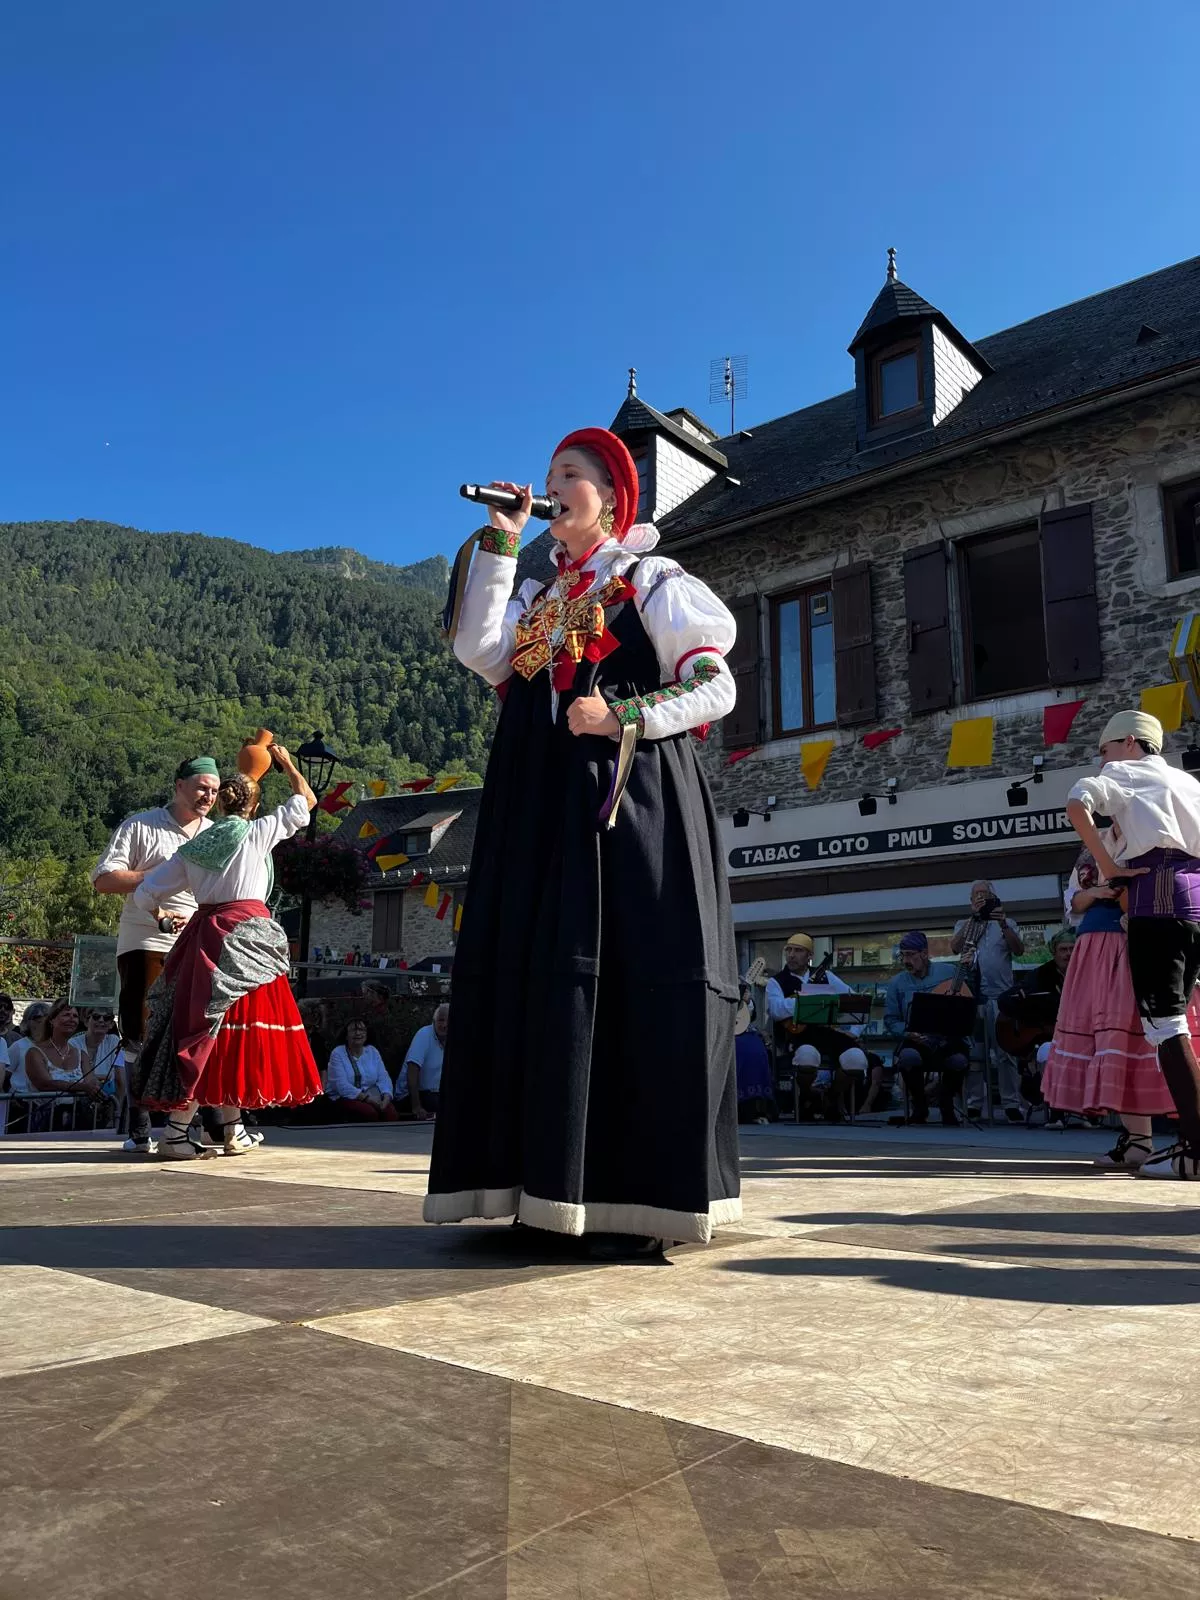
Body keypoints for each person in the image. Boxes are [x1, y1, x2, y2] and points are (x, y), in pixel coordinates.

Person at [424, 427, 741, 1256]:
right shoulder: (541, 595)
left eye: (570, 474)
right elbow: (479, 651)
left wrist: (622, 714)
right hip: (536, 803)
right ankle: (541, 1191)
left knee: (626, 973)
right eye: (549, 475)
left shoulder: (651, 579)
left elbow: (716, 686)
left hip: (623, 798)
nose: (553, 486)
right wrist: (502, 542)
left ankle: (629, 1204)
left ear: (611, 497)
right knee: (535, 974)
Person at [131, 746, 323, 1158]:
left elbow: (145, 894)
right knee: (223, 1036)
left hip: (205, 941)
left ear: (220, 803)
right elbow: (307, 800)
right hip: (250, 942)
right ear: (253, 806)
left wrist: (163, 918)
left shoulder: (194, 848)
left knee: (217, 1033)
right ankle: (176, 1132)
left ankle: (233, 1129)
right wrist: (288, 764)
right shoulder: (258, 831)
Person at [1065, 709, 1200, 1180]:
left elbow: (1076, 802)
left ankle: (1194, 1151)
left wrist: (1108, 865)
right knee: (1178, 1024)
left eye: (1104, 750)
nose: (1102, 760)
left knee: (1165, 1025)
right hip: (1195, 902)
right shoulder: (1189, 783)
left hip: (1155, 901)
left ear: (1129, 742)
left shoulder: (1125, 772)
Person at [92, 756, 220, 1153]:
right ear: (179, 785)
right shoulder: (141, 825)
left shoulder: (216, 834)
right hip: (145, 939)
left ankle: (190, 1122)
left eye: (215, 791)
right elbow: (103, 879)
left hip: (196, 941)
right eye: (201, 787)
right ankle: (140, 1126)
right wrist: (162, 874)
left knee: (196, 1030)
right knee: (141, 1030)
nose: (208, 796)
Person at [1042, 836, 1187, 1166]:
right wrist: (1096, 892)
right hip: (1096, 946)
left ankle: (1184, 1138)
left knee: (1144, 1038)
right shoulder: (1096, 845)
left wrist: (1122, 894)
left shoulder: (1153, 836)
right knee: (1110, 1040)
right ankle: (1138, 1140)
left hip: (1135, 940)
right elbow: (1074, 902)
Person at [765, 934, 871, 1121]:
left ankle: (832, 1096)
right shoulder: (776, 982)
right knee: (807, 1056)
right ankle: (808, 1095)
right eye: (789, 950)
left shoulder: (826, 976)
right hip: (798, 1037)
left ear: (809, 956)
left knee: (856, 1059)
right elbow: (775, 1010)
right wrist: (806, 1001)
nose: (792, 955)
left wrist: (853, 1032)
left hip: (829, 1034)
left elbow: (854, 1001)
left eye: (798, 950)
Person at [883, 932, 976, 1126]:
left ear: (924, 954)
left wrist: (970, 967)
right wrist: (907, 1033)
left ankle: (946, 1103)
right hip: (915, 1040)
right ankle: (919, 1106)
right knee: (908, 1057)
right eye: (903, 955)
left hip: (947, 1039)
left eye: (911, 955)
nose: (906, 960)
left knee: (959, 1060)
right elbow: (891, 1020)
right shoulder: (897, 983)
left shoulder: (949, 972)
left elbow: (970, 996)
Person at [951, 881, 1025, 1121]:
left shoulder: (1006, 922)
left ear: (994, 897)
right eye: (977, 895)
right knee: (975, 1054)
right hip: (973, 998)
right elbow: (954, 948)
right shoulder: (964, 924)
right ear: (971, 901)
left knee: (1006, 1052)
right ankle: (974, 1103)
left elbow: (1019, 950)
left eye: (986, 894)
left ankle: (1011, 1103)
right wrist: (973, 919)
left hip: (1001, 997)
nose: (981, 898)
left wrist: (1002, 923)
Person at [325, 1019, 398, 1120]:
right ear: (346, 1035)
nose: (358, 1033)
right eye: (353, 1030)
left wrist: (386, 1097)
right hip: (346, 1097)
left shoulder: (372, 1051)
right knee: (369, 1113)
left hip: (373, 1095)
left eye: (361, 1030)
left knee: (391, 1113)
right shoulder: (338, 1053)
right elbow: (341, 1085)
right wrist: (368, 1100)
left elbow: (384, 1078)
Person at [69, 1006, 126, 1122]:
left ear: (111, 1024)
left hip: (109, 1105)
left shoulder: (115, 1042)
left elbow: (120, 1077)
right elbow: (72, 1077)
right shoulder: (73, 1043)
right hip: (76, 1106)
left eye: (107, 1018)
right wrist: (104, 1078)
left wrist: (118, 1113)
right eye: (96, 1017)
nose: (101, 1020)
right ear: (86, 1021)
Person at [735, 982, 775, 1124]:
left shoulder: (741, 983)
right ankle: (737, 1107)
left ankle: (757, 1107)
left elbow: (750, 1017)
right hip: (725, 1032)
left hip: (744, 1032)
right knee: (742, 1051)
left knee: (757, 1051)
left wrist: (747, 1001)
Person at [400, 1004, 448, 1120]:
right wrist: (416, 1106)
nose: (444, 1025)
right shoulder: (424, 1034)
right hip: (411, 1095)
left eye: (448, 1021)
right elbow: (412, 1070)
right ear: (434, 1021)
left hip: (435, 1093)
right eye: (441, 1020)